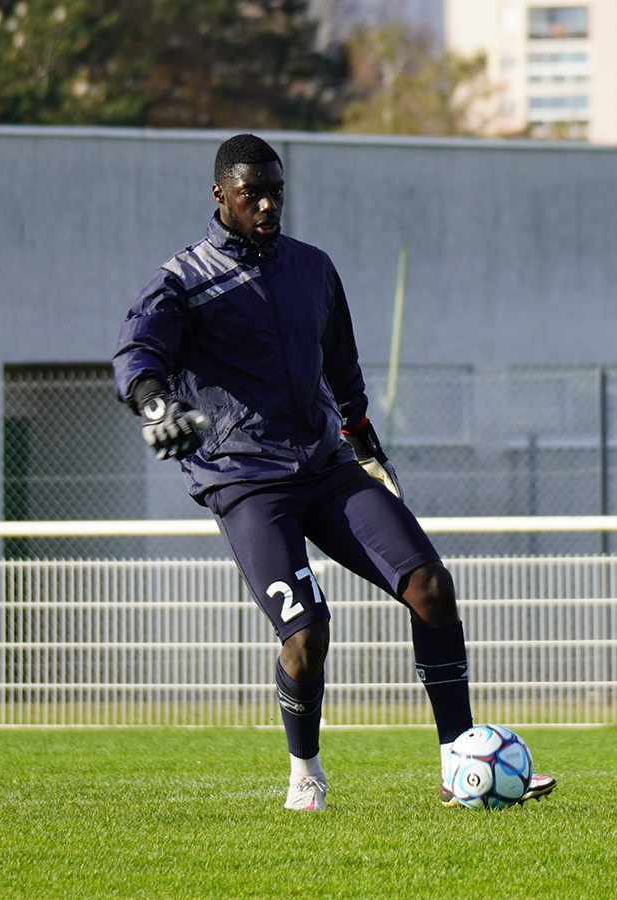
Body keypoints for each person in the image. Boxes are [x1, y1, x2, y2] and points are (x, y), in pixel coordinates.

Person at [113, 133, 556, 812]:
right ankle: (306, 773)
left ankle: (461, 764)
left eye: (276, 192)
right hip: (247, 483)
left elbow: (343, 371)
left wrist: (363, 441)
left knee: (432, 587)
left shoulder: (312, 268)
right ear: (221, 195)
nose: (267, 204)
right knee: (307, 633)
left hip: (327, 468)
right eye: (252, 193)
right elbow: (138, 355)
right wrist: (157, 407)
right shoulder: (183, 281)